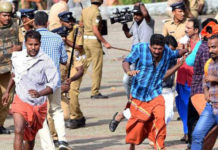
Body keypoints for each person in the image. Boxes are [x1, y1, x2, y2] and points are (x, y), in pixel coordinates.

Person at [123, 34, 187, 150]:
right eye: (154, 48)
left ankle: (160, 146)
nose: (157, 51)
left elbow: (176, 53)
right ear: (150, 46)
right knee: (138, 126)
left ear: (163, 47)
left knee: (161, 119)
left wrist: (186, 50)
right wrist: (128, 71)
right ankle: (132, 145)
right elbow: (126, 61)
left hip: (155, 93)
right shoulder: (140, 48)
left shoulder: (167, 52)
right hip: (139, 94)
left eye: (159, 49)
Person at [2, 30, 59, 150]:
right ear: (25, 44)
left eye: (36, 44)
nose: (33, 48)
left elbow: (53, 84)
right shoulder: (18, 57)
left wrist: (39, 93)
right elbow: (14, 75)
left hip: (38, 105)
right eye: (30, 44)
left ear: (40, 44)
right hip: (21, 99)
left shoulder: (46, 61)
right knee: (18, 131)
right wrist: (7, 91)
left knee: (30, 138)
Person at [109, 2, 155, 132]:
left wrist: (140, 3)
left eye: (138, 14)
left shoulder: (149, 22)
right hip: (135, 57)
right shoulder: (134, 23)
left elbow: (145, 13)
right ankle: (130, 106)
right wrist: (123, 23)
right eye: (134, 14)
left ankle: (122, 115)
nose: (136, 16)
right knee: (126, 81)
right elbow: (128, 35)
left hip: (147, 59)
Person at [32, 11, 72, 150]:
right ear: (48, 23)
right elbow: (64, 60)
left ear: (34, 23)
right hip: (54, 81)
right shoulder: (57, 38)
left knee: (40, 114)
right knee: (57, 110)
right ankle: (62, 140)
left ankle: (48, 146)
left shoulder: (30, 39)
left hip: (37, 82)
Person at [187, 18, 218, 150]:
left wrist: (215, 79)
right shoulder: (209, 63)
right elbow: (205, 80)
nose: (210, 50)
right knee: (197, 135)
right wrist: (206, 91)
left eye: (214, 47)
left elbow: (210, 78)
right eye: (210, 47)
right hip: (211, 107)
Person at [175, 18, 200, 143]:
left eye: (189, 28)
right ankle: (186, 132)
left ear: (196, 30)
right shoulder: (185, 42)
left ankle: (192, 134)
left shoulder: (200, 45)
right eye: (186, 27)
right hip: (180, 78)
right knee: (181, 107)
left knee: (191, 109)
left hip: (192, 81)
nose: (186, 30)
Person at [80, 0, 111, 99]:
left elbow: (80, 25)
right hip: (94, 43)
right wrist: (105, 42)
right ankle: (95, 92)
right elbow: (95, 30)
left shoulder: (85, 10)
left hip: (85, 41)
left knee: (82, 66)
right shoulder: (96, 12)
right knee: (97, 68)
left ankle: (72, 86)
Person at [0, 1, 22, 134]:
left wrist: (19, 47)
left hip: (8, 68)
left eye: (8, 15)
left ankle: (0, 124)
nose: (7, 18)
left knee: (6, 98)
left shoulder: (15, 25)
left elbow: (22, 42)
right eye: (4, 15)